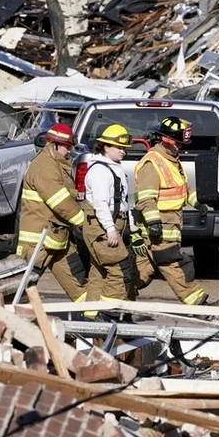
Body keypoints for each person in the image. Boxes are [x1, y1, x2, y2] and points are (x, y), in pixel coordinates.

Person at [133, 116, 210, 305]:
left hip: (172, 225)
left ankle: (114, 299)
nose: (181, 146)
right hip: (160, 228)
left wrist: (198, 203)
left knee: (141, 270)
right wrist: (153, 223)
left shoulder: (172, 159)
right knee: (174, 264)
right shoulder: (152, 163)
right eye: (178, 143)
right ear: (167, 140)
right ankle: (198, 303)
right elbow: (146, 199)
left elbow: (182, 189)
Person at [16, 123, 89, 302]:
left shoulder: (56, 163)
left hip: (57, 238)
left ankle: (94, 319)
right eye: (66, 147)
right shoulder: (45, 166)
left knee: (78, 282)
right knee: (20, 289)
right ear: (53, 144)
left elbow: (67, 194)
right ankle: (6, 321)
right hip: (38, 242)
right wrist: (83, 223)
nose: (69, 152)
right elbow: (60, 201)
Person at [81, 124, 144, 313]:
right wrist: (110, 229)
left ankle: (90, 318)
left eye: (124, 148)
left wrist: (131, 225)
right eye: (119, 148)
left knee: (99, 273)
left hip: (112, 224)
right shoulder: (100, 171)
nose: (123, 152)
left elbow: (124, 200)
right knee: (119, 270)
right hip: (101, 227)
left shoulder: (115, 168)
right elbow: (101, 204)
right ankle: (109, 316)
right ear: (106, 147)